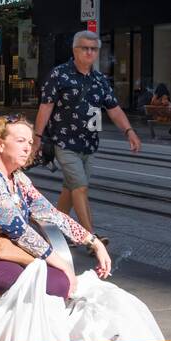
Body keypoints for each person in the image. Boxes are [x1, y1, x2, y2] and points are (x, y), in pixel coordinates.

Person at [0, 116, 111, 299]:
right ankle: (29, 328)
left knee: (57, 280)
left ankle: (26, 327)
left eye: (30, 142)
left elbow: (52, 214)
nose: (28, 147)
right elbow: (18, 230)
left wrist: (94, 242)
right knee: (54, 282)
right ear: (0, 144)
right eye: (20, 141)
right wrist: (62, 263)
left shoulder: (18, 179)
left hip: (5, 255)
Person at [33, 31, 141, 237]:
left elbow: (114, 109)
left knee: (71, 189)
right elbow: (45, 107)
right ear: (75, 50)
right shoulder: (59, 75)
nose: (90, 52)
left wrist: (129, 131)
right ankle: (90, 238)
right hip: (64, 143)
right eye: (85, 48)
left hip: (89, 145)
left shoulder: (100, 80)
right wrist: (37, 138)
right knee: (80, 188)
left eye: (94, 49)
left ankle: (52, 232)